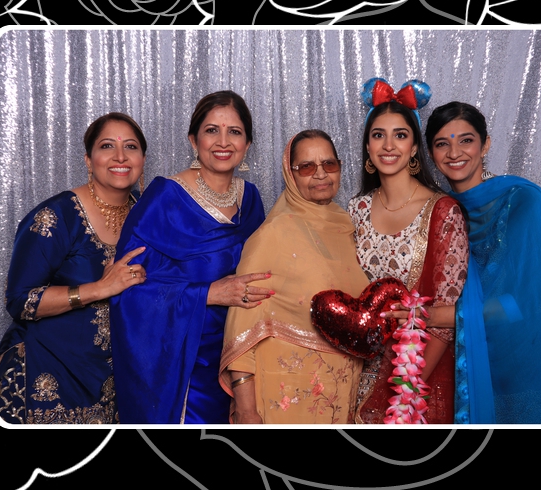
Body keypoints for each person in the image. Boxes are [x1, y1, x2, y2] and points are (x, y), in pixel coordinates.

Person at [113, 90, 269, 424]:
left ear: (247, 144)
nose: (223, 141)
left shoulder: (251, 199)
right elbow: (127, 290)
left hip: (241, 358)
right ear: (193, 140)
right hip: (182, 363)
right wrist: (207, 294)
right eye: (212, 130)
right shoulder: (164, 197)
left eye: (234, 131)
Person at [0, 111, 148, 424]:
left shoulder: (148, 215)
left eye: (131, 147)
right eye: (107, 146)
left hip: (118, 380)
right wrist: (98, 289)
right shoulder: (56, 216)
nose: (120, 156)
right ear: (88, 160)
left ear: (142, 159)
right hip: (47, 374)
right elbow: (20, 301)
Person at [221, 130, 368, 424]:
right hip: (286, 396)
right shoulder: (274, 233)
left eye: (329, 164)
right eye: (307, 167)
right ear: (290, 173)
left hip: (342, 394)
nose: (321, 174)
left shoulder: (348, 226)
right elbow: (241, 329)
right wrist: (247, 411)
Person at [427, 100, 541, 423]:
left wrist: (430, 316)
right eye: (442, 144)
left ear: (485, 144)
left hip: (524, 374)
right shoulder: (440, 211)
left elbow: (525, 304)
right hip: (465, 368)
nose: (454, 152)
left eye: (466, 140)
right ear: (430, 153)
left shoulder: (523, 201)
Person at [349, 80, 466, 424]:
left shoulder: (443, 211)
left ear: (414, 147)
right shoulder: (355, 210)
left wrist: (404, 394)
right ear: (367, 146)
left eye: (400, 135)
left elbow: (448, 314)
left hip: (415, 379)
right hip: (353, 372)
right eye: (378, 135)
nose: (388, 145)